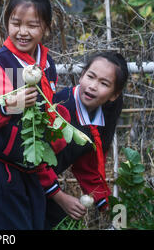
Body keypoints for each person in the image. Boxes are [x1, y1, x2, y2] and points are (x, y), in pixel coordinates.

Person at [0, 0, 69, 229]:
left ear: (46, 28)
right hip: (1, 168)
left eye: (32, 25)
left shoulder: (47, 64)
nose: (22, 32)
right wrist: (10, 106)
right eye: (16, 23)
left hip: (31, 166)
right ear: (7, 23)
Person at [42, 52, 129, 229]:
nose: (93, 86)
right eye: (90, 77)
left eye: (104, 83)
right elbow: (32, 160)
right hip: (20, 179)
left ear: (114, 94)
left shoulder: (99, 120)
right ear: (81, 76)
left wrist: (106, 205)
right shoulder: (60, 108)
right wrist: (59, 196)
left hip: (41, 185)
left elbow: (86, 166)